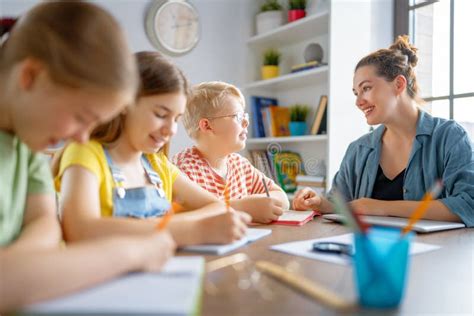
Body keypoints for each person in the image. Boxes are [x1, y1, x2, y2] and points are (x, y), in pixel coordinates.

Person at [0, 2, 175, 312]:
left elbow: (45, 225)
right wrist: (129, 253)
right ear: (30, 76)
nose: (82, 137)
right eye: (81, 116)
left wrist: (24, 270)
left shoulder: (28, 145)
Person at [54, 53, 250, 246]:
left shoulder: (157, 164)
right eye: (161, 114)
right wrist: (189, 230)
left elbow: (217, 206)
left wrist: (169, 227)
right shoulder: (85, 153)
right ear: (124, 102)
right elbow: (79, 230)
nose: (171, 130)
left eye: (176, 119)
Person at [293, 35, 474, 226]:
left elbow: (468, 203)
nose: (358, 101)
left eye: (366, 88)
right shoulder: (358, 149)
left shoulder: (449, 137)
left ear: (399, 84)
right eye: (356, 93)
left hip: (435, 253)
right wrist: (321, 203)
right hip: (366, 253)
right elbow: (344, 207)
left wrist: (380, 207)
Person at [173, 81, 289, 224]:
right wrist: (242, 207)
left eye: (245, 116)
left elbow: (282, 197)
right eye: (238, 116)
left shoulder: (240, 165)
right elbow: (179, 218)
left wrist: (265, 203)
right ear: (207, 126)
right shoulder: (184, 169)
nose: (246, 122)